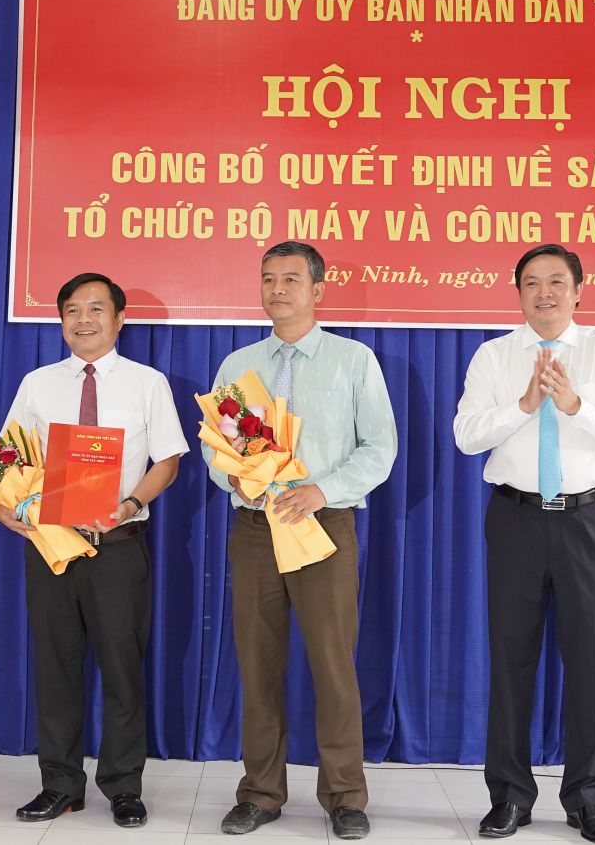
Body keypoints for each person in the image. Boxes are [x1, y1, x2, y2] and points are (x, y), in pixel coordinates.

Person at [203, 240, 396, 841]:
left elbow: (380, 448)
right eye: (268, 278)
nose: (278, 289)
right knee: (257, 662)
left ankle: (345, 797)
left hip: (323, 525)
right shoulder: (238, 366)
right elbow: (216, 447)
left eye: (291, 278)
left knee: (334, 664)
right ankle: (260, 793)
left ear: (318, 289)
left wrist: (322, 490)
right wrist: (236, 480)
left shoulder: (354, 360)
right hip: (256, 528)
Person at [452, 244, 595, 845]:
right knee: (511, 658)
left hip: (586, 520)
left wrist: (575, 405)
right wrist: (526, 405)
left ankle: (588, 799)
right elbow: (466, 435)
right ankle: (509, 797)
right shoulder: (494, 356)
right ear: (518, 293)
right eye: (532, 283)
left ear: (579, 291)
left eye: (557, 282)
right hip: (516, 519)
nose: (545, 293)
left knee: (588, 659)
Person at [0, 272, 187, 828]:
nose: (84, 320)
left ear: (119, 319)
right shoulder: (37, 384)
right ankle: (60, 785)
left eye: (96, 309)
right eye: (73, 311)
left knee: (122, 669)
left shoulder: (147, 383)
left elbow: (169, 460)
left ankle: (124, 786)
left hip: (117, 546)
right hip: (51, 545)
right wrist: (2, 505)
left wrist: (129, 504)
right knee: (55, 668)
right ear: (61, 322)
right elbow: (8, 459)